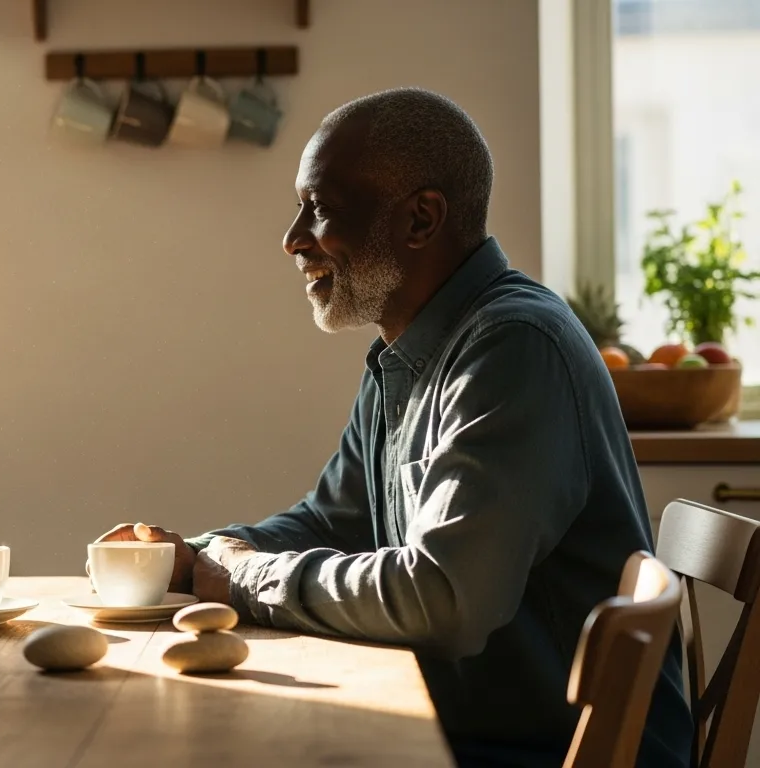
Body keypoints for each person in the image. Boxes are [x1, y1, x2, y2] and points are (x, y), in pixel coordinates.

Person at [96, 88, 691, 767]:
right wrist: (193, 557)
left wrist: (243, 578)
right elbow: (332, 521)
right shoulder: (408, 355)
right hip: (484, 730)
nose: (292, 238)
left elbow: (446, 599)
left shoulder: (514, 349)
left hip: (552, 751)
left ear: (420, 219)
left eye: (320, 208)